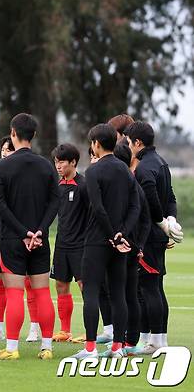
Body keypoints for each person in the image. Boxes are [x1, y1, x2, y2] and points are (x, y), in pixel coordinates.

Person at [0, 113, 59, 361]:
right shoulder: (47, 166)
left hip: (12, 239)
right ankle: (47, 347)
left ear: (13, 134)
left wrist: (22, 232)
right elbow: (55, 201)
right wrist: (39, 230)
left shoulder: (2, 166)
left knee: (15, 293)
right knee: (42, 293)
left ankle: (12, 348)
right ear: (34, 135)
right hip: (40, 240)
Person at [71, 123, 140, 359]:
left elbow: (98, 209)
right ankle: (117, 347)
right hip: (120, 242)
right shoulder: (125, 170)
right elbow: (135, 206)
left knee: (90, 292)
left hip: (97, 240)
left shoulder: (94, 171)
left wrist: (111, 235)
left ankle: (90, 349)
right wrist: (122, 233)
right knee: (118, 294)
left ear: (96, 145)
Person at [125, 121, 182, 353]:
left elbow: (151, 200)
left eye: (129, 142)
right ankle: (159, 340)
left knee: (149, 288)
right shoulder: (161, 162)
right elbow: (171, 197)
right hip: (157, 234)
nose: (128, 146)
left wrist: (162, 223)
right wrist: (171, 220)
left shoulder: (144, 167)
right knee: (155, 287)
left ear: (138, 143)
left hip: (148, 236)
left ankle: (156, 341)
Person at [0, 136, 39, 342]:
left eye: (9, 150)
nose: (5, 153)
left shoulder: (28, 173)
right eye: (3, 150)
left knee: (28, 282)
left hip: (25, 231)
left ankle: (34, 328)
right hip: (2, 232)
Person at [112, 143, 151, 356]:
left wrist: (132, 244)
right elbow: (145, 222)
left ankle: (124, 342)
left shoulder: (126, 187)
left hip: (122, 247)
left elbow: (142, 220)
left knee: (122, 294)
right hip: (133, 247)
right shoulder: (135, 186)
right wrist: (140, 246)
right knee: (129, 294)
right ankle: (128, 343)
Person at [49, 144, 88, 343]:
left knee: (85, 286)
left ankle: (92, 332)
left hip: (80, 246)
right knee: (61, 285)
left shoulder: (83, 185)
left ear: (73, 162)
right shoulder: (58, 186)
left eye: (62, 161)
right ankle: (65, 330)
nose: (58, 165)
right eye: (56, 161)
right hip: (61, 244)